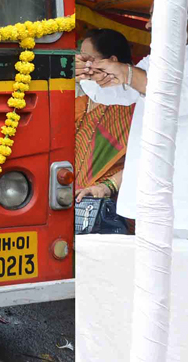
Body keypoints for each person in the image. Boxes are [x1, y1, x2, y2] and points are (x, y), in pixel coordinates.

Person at [77, 0, 188, 239]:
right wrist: (92, 73)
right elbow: (120, 94)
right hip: (150, 204)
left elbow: (178, 97)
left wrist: (128, 74)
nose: (148, 24)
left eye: (154, 15)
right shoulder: (154, 62)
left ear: (179, 18)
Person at [72, 29, 137, 235]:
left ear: (112, 61)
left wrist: (106, 186)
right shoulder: (79, 103)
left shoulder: (135, 107)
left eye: (87, 59)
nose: (80, 64)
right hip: (69, 206)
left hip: (110, 212)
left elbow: (146, 162)